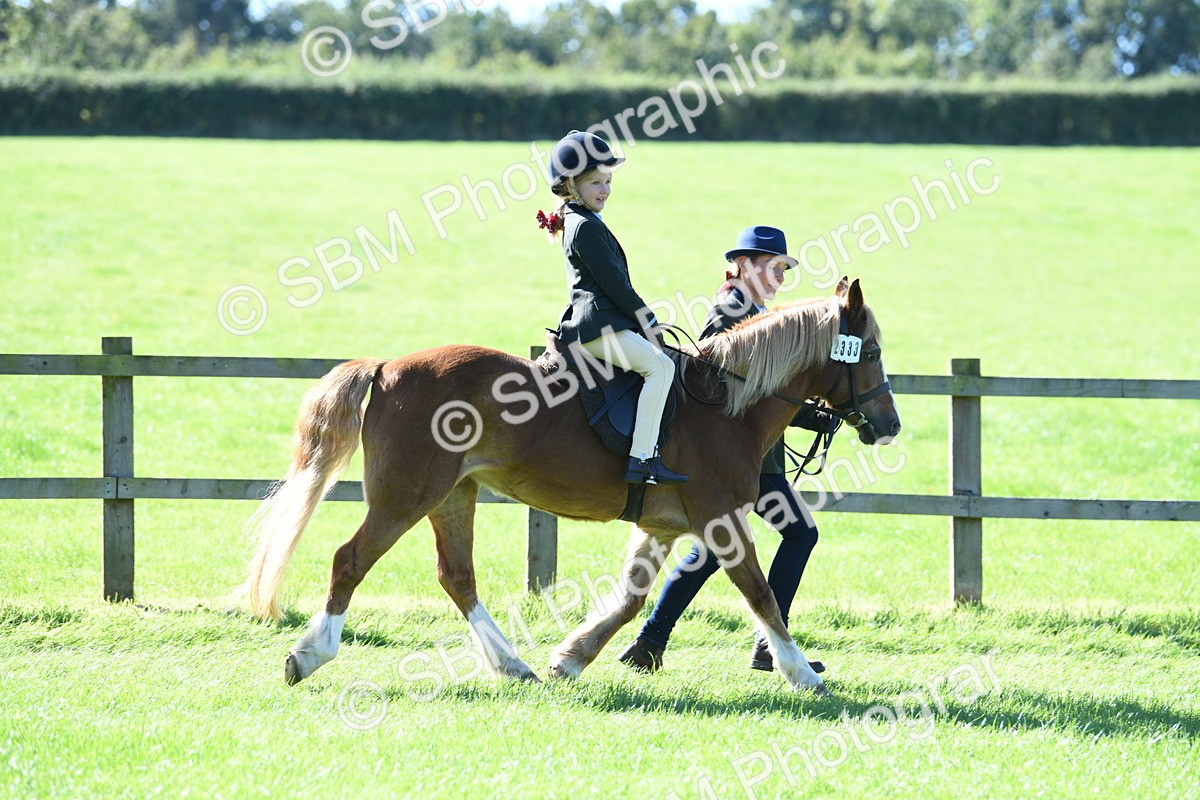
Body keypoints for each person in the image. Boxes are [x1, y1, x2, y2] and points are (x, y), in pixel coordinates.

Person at [616, 225, 832, 673]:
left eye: (783, 269)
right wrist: (808, 415)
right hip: (735, 460)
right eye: (771, 267)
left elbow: (767, 390)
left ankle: (652, 642)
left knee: (717, 550)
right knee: (794, 535)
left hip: (752, 458)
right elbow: (734, 385)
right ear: (743, 265)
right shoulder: (730, 311)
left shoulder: (755, 309)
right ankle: (768, 644)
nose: (778, 276)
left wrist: (813, 415)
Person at [539, 130, 687, 485]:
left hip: (604, 324)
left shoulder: (581, 219)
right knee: (661, 368)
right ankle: (642, 461)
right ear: (572, 186)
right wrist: (649, 323)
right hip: (597, 328)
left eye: (607, 181)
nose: (604, 189)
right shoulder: (585, 227)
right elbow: (617, 288)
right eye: (595, 182)